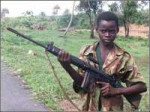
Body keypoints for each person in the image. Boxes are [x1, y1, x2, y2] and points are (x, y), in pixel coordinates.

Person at [56, 11, 147, 111]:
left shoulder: (124, 57)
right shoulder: (86, 51)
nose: (107, 34)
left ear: (117, 30)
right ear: (97, 30)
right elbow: (81, 81)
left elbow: (141, 86)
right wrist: (67, 66)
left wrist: (116, 91)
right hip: (88, 107)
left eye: (111, 31)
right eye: (103, 31)